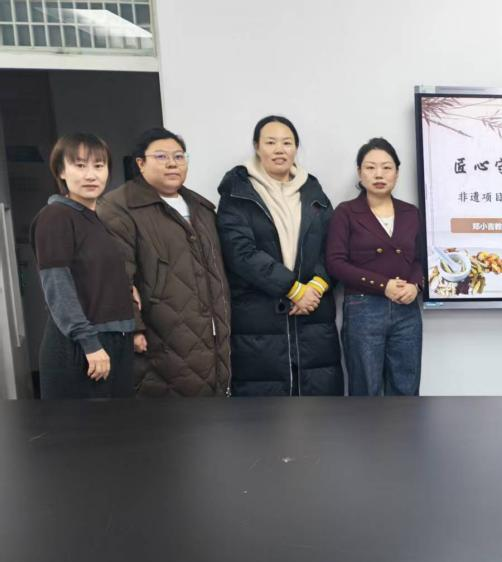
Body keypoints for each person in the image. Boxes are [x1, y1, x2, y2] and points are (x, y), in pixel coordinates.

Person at [98, 127, 231, 397]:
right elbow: (116, 276)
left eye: (179, 156)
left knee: (212, 410)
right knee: (168, 412)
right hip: (158, 336)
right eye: (161, 156)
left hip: (212, 335)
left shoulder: (202, 208)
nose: (172, 163)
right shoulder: (119, 207)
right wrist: (134, 328)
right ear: (140, 163)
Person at [216, 115, 342, 396]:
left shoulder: (313, 192)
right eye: (270, 142)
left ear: (296, 148)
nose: (279, 150)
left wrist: (314, 288)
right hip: (260, 317)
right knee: (266, 410)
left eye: (287, 143)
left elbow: (332, 247)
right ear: (256, 147)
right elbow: (241, 253)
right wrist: (293, 289)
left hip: (313, 315)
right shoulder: (238, 194)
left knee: (318, 408)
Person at [32, 133, 136, 399]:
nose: (91, 175)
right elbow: (58, 287)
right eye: (80, 165)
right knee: (82, 426)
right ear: (61, 171)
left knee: (119, 424)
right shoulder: (56, 216)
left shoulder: (93, 218)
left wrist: (126, 288)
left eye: (98, 166)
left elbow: (92, 273)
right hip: (83, 347)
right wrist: (90, 343)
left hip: (113, 340)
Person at [325, 138, 424, 396]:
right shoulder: (346, 212)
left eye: (387, 167)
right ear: (360, 172)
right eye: (370, 167)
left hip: (407, 310)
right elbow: (335, 263)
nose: (379, 174)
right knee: (366, 390)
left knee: (407, 388)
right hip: (363, 308)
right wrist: (383, 285)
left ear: (397, 173)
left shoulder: (411, 212)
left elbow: (420, 258)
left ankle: (405, 428)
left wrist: (415, 285)